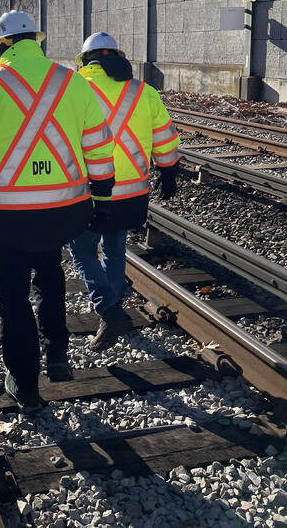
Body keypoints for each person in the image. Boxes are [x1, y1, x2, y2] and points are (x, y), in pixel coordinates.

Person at [0, 11, 115, 412]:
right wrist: (102, 194)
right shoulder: (72, 83)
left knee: (13, 297)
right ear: (36, 40)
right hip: (65, 210)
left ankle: (25, 384)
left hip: (9, 216)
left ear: (3, 46)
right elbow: (98, 146)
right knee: (50, 274)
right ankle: (58, 354)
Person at [70, 32, 180, 351]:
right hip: (132, 192)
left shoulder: (75, 90)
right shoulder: (142, 91)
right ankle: (113, 310)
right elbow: (164, 134)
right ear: (117, 56)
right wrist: (169, 169)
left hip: (90, 189)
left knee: (82, 250)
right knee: (116, 245)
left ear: (86, 61)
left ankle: (108, 308)